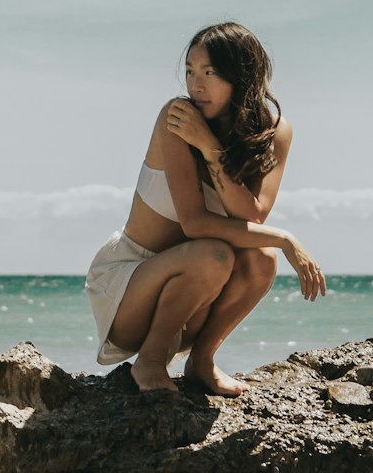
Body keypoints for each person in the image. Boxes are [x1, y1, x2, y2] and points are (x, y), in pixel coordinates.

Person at [84, 22, 325, 395]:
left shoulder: (275, 131)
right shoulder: (177, 118)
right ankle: (148, 362)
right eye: (190, 71)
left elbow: (253, 214)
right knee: (215, 253)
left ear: (242, 76)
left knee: (261, 259)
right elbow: (195, 223)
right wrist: (286, 238)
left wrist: (212, 150)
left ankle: (202, 361)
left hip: (195, 295)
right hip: (131, 287)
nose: (195, 85)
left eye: (209, 73)